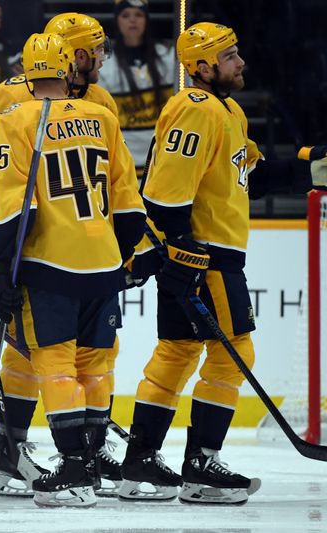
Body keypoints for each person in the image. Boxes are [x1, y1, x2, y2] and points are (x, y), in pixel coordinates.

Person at [120, 22, 324, 505]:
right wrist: (180, 252)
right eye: (231, 56)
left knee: (177, 354)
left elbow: (250, 176)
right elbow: (164, 193)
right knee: (235, 355)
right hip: (206, 257)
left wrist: (312, 166)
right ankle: (201, 465)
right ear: (203, 67)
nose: (241, 63)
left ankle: (140, 461)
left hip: (204, 255)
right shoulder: (196, 111)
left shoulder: (227, 111)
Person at [0, 12, 124, 498]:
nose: (100, 58)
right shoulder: (13, 97)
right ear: (72, 56)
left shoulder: (100, 102)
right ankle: (13, 447)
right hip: (30, 247)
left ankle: (84, 453)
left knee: (94, 354)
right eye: (94, 49)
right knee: (29, 353)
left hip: (86, 255)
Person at [98, 0, 175, 172]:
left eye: (139, 15)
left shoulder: (168, 58)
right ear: (117, 20)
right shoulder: (105, 66)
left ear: (147, 19)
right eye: (125, 16)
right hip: (126, 161)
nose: (132, 20)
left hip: (162, 159)